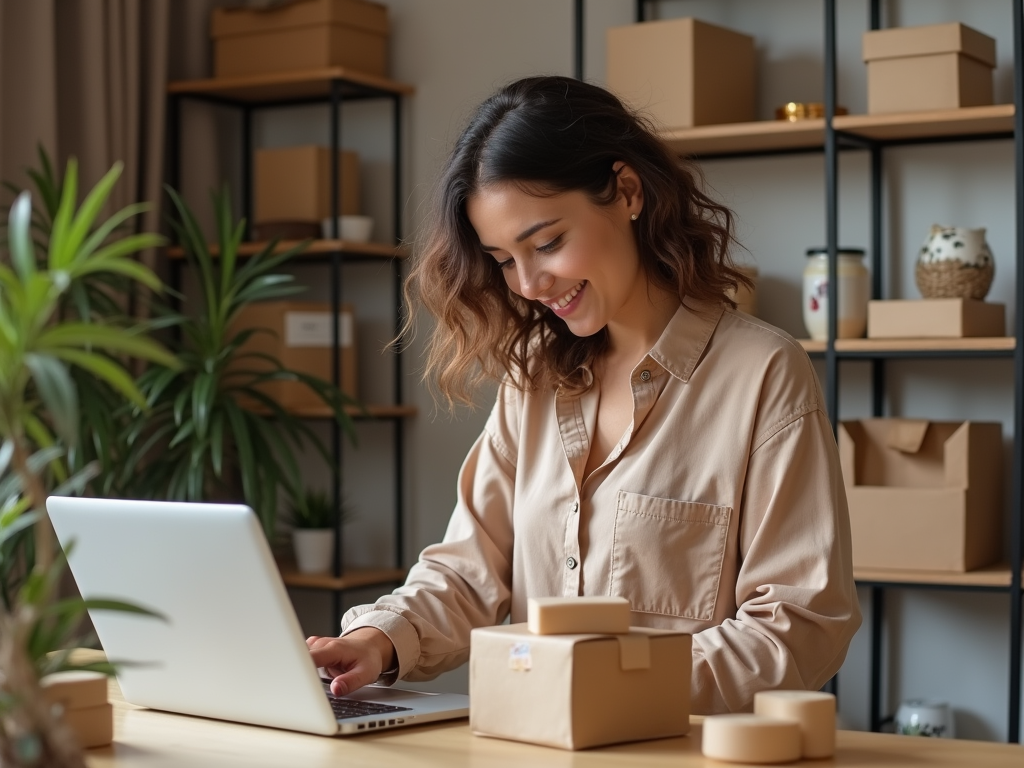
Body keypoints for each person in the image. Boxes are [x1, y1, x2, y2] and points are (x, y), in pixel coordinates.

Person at [307, 75, 861, 714]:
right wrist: (379, 640)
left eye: (547, 243)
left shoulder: (764, 373)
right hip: (531, 747)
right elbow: (470, 571)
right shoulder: (533, 379)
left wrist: (615, 686)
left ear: (628, 192)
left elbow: (800, 624)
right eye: (504, 260)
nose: (530, 283)